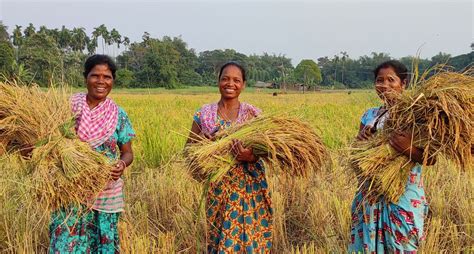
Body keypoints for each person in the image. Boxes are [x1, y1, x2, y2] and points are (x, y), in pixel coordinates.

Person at [49, 54, 135, 253]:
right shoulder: (67, 109)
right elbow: (50, 145)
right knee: (65, 245)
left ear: (113, 81)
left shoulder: (118, 114)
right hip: (69, 192)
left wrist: (121, 165)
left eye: (107, 77)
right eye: (95, 75)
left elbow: (128, 153)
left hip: (105, 194)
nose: (101, 81)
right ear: (86, 77)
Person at [349, 60, 436, 253]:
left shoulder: (417, 114)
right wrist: (361, 141)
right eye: (380, 80)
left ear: (403, 84)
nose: (385, 85)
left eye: (391, 80)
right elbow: (357, 155)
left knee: (403, 246)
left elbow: (431, 158)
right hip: (370, 193)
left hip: (402, 194)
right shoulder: (369, 115)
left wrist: (407, 148)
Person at [187, 62, 273, 253]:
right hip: (219, 187)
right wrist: (202, 143)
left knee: (252, 238)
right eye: (225, 78)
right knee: (221, 237)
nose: (230, 83)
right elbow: (188, 149)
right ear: (218, 81)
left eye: (236, 80)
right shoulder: (203, 114)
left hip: (250, 186)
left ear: (243, 84)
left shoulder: (253, 114)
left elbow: (270, 149)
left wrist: (250, 156)